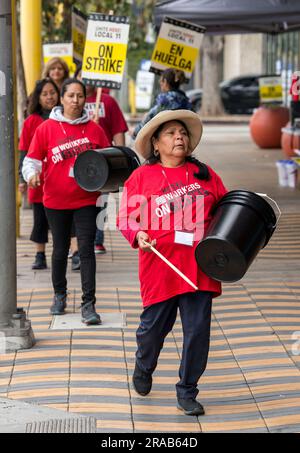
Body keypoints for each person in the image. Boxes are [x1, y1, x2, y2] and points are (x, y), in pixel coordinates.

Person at [117, 109, 228, 416]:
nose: (179, 137)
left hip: (198, 268)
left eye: (183, 133)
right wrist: (138, 234)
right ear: (155, 144)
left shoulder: (205, 174)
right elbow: (127, 217)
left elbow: (227, 211)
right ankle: (144, 364)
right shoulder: (142, 177)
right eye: (170, 133)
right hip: (160, 267)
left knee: (197, 333)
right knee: (152, 330)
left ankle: (187, 389)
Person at [22, 78, 110, 325]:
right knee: (59, 250)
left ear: (85, 99)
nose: (75, 100)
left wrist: (112, 183)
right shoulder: (47, 128)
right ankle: (59, 295)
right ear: (62, 99)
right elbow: (31, 160)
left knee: (86, 251)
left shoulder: (95, 130)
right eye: (70, 96)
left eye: (80, 96)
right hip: (55, 200)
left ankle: (88, 304)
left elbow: (109, 161)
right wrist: (31, 175)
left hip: (86, 200)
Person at [75, 65, 128, 254]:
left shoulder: (108, 102)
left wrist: (121, 156)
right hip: (79, 163)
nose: (85, 80)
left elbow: (118, 130)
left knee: (101, 202)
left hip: (103, 162)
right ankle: (80, 241)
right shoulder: (72, 104)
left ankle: (97, 239)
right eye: (82, 76)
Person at [18, 78, 60, 269]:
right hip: (38, 179)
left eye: (52, 92)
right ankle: (40, 254)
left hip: (60, 179)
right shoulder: (31, 122)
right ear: (38, 97)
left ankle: (73, 252)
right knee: (40, 220)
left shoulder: (63, 120)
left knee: (65, 221)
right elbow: (24, 151)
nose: (50, 97)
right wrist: (23, 177)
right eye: (45, 94)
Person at [132, 68, 192, 138]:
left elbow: (149, 119)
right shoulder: (185, 100)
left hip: (166, 138)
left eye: (161, 80)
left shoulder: (164, 100)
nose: (160, 82)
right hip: (182, 137)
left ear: (165, 82)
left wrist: (135, 131)